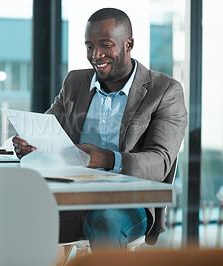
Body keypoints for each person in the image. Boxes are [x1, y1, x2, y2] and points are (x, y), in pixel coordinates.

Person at [12, 7, 187, 251]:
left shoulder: (164, 91)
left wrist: (106, 158)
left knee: (107, 220)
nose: (95, 55)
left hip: (127, 200)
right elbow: (47, 129)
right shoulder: (75, 82)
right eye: (89, 46)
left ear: (128, 44)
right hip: (70, 194)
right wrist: (30, 143)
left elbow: (160, 163)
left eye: (106, 45)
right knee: (16, 212)